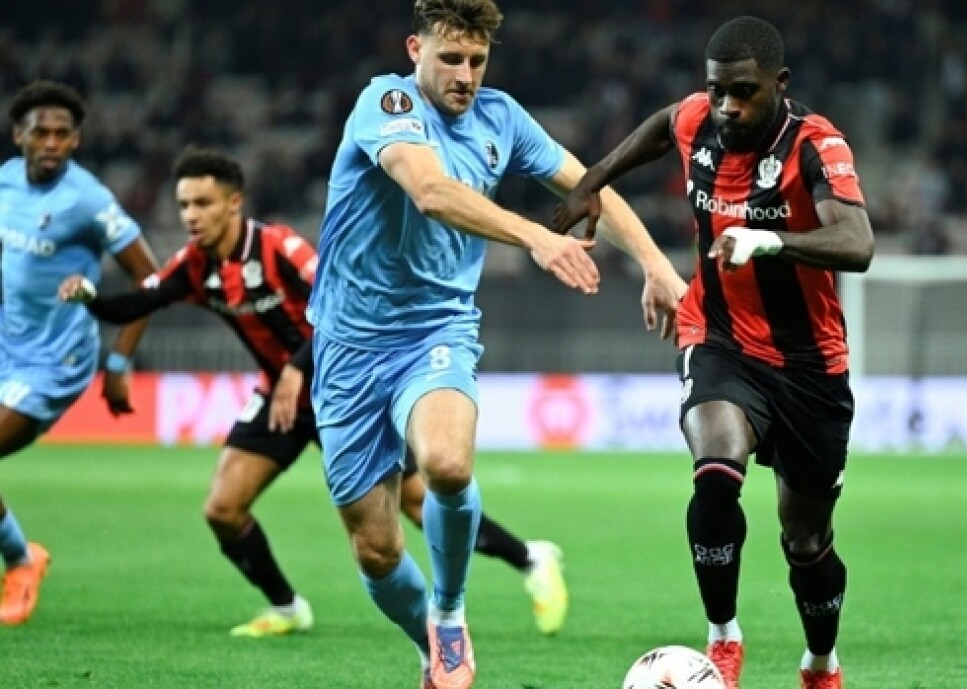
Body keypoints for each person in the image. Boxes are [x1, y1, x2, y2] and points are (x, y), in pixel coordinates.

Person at [307, 1, 687, 687]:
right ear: (415, 49)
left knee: (448, 465)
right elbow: (429, 191)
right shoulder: (386, 103)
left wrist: (656, 265)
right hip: (349, 345)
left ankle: (449, 611)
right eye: (450, 58)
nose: (465, 75)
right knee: (376, 548)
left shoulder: (501, 119)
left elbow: (589, 185)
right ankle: (427, 644)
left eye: (477, 61)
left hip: (436, 330)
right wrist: (536, 235)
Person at [58, 146, 571, 639]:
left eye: (203, 203)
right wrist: (89, 297)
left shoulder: (278, 248)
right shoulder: (194, 265)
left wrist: (296, 368)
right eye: (184, 205)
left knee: (419, 506)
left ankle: (532, 558)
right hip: (282, 402)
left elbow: (338, 304)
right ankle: (287, 607)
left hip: (346, 392)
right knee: (222, 509)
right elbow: (136, 304)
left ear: (234, 203)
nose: (191, 215)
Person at [554, 16, 874, 689]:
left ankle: (820, 663)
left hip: (810, 365)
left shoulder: (815, 144)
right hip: (718, 336)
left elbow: (857, 243)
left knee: (806, 540)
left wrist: (771, 241)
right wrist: (595, 177)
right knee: (716, 472)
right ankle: (723, 636)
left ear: (779, 85)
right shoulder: (700, 118)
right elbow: (662, 124)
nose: (726, 106)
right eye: (717, 90)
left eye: (744, 92)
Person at [0, 81, 158, 626]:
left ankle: (21, 562)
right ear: (19, 135)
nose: (50, 142)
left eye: (61, 134)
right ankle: (22, 556)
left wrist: (119, 361)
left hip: (55, 363)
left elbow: (150, 278)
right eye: (40, 132)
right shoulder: (5, 182)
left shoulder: (87, 200)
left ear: (76, 141)